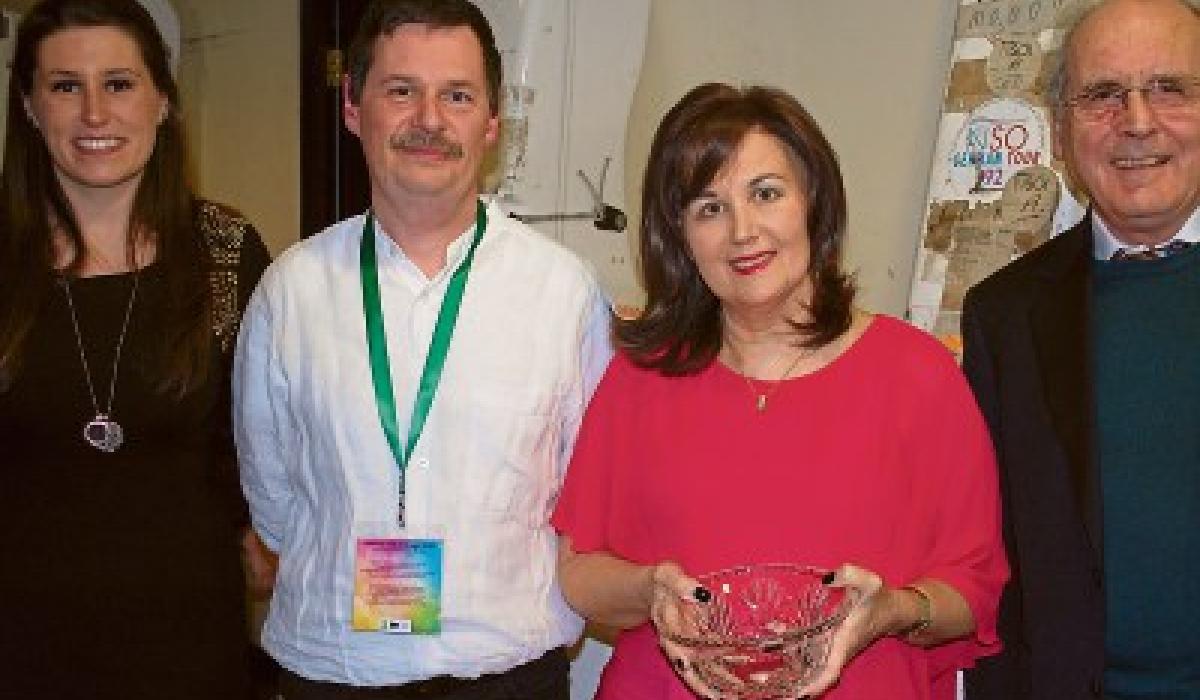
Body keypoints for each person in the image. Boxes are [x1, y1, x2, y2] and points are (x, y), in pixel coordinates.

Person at [551, 82, 1008, 700]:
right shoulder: (643, 375)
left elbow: (973, 592)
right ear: (679, 236)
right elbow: (579, 572)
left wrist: (895, 610)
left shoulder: (918, 375)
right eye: (709, 208)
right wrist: (648, 591)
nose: (742, 230)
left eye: (765, 193)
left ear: (814, 202)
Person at [232, 1, 612, 698]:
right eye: (402, 90)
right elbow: (273, 496)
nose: (429, 120)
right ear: (354, 107)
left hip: (509, 675)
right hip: (333, 671)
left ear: (492, 122)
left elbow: (588, 491)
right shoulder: (292, 292)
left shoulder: (565, 294)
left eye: (458, 96)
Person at [0, 1, 271, 698]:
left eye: (119, 84)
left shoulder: (224, 252)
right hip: (20, 650)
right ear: (29, 107)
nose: (95, 113)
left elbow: (259, 440)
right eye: (65, 86)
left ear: (162, 100)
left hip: (189, 647)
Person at [961, 1, 1200, 698]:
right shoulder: (1003, 316)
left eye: (1169, 88)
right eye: (1102, 95)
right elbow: (992, 563)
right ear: (1061, 131)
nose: (1137, 121)